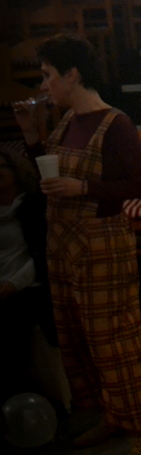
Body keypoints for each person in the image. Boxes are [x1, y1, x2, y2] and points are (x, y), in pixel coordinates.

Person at [15, 34, 141, 455]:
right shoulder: (67, 121)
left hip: (101, 246)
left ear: (72, 74)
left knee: (113, 343)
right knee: (81, 337)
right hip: (66, 242)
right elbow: (52, 172)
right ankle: (114, 415)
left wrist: (83, 188)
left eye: (48, 75)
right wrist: (31, 138)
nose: (44, 85)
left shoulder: (115, 123)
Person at [0, 149, 56, 401]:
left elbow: (41, 255)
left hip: (29, 284)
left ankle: (17, 395)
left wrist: (12, 284)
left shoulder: (31, 206)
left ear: (16, 171)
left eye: (1, 166)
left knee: (10, 319)